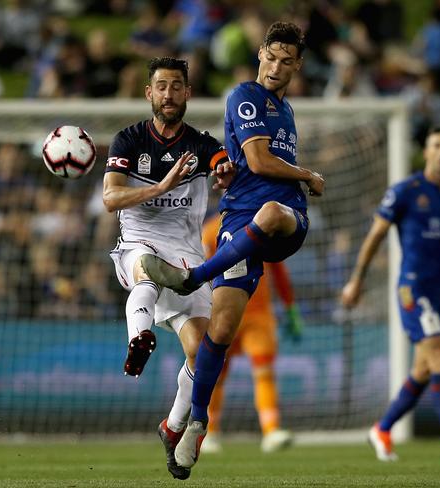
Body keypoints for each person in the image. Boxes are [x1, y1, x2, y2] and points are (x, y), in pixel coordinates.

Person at [140, 22, 325, 471]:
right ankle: (195, 424)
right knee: (218, 333)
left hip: (285, 220)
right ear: (260, 53)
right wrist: (307, 174)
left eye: (287, 60)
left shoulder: (287, 110)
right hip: (240, 223)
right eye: (271, 56)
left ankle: (192, 278)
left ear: (297, 65)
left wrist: (295, 182)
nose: (277, 66)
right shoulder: (245, 96)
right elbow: (259, 160)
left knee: (274, 215)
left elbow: (257, 163)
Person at [101, 56, 234, 480]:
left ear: (188, 93)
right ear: (149, 93)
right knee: (144, 269)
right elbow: (110, 198)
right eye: (161, 86)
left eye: (177, 86)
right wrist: (159, 188)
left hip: (186, 255)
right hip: (137, 239)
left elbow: (221, 162)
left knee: (201, 351)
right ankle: (138, 338)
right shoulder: (128, 141)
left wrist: (225, 172)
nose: (169, 94)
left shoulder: (200, 143)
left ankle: (172, 425)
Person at [340, 127, 440, 462]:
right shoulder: (406, 191)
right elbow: (375, 236)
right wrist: (356, 280)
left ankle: (383, 428)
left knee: (424, 369)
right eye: (437, 145)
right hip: (414, 288)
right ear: (427, 153)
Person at [198, 215, 302, 454]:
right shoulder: (210, 231)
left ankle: (271, 430)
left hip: (258, 316)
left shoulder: (264, 224)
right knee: (216, 374)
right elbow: (201, 270)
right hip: (223, 312)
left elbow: (278, 270)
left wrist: (290, 307)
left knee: (264, 372)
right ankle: (209, 432)